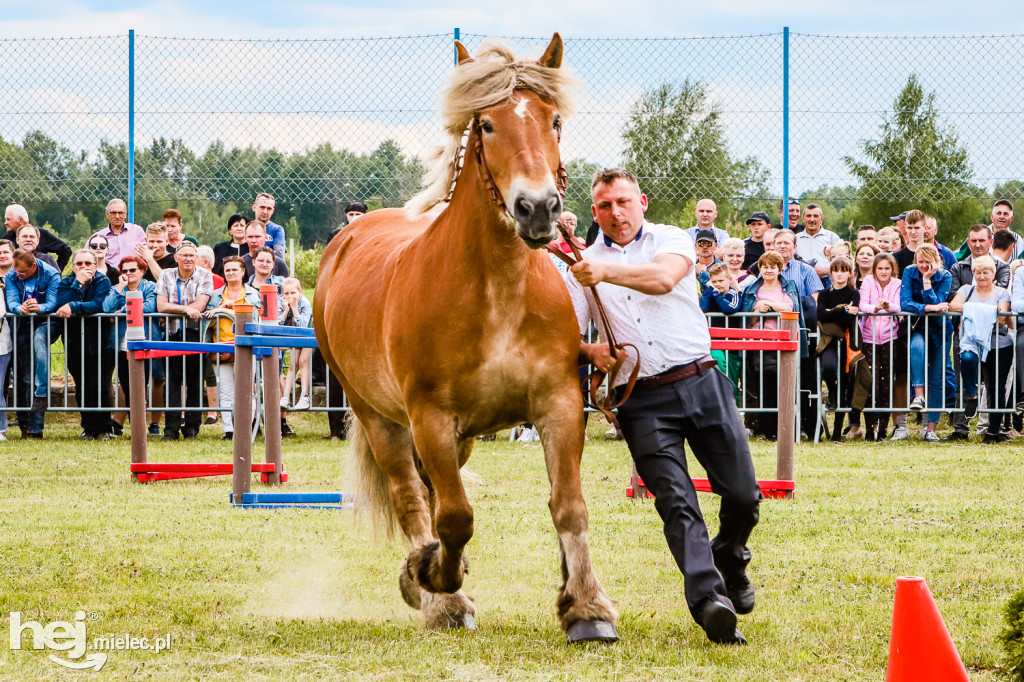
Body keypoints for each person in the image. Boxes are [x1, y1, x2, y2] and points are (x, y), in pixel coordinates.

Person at [566, 168, 760, 645]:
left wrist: (605, 271)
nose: (616, 213)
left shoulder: (670, 238)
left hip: (701, 379)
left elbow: (663, 278)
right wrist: (590, 353)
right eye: (606, 206)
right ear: (594, 212)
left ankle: (729, 557)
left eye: (624, 202)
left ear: (643, 202)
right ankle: (709, 601)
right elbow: (565, 337)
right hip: (641, 399)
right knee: (677, 503)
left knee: (743, 497)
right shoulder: (582, 265)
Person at [948, 256, 1013, 443]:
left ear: (993, 274)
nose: (982, 276)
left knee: (996, 387)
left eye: (986, 272)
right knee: (967, 358)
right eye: (978, 272)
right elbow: (954, 305)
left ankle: (993, 432)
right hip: (972, 343)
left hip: (999, 344)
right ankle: (973, 393)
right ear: (973, 274)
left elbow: (1002, 318)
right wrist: (984, 311)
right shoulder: (966, 290)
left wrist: (970, 312)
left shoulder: (1001, 293)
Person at [739, 251, 801, 440]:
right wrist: (757, 309)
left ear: (779, 269)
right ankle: (768, 429)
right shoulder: (752, 289)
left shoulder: (787, 286)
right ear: (760, 268)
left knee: (782, 386)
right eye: (765, 266)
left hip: (782, 341)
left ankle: (784, 428)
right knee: (763, 386)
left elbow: (790, 308)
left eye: (772, 267)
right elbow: (746, 319)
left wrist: (768, 304)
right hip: (759, 342)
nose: (768, 270)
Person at [156, 241, 213, 440]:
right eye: (184, 255)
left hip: (196, 335)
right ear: (176, 257)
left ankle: (192, 428)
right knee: (171, 383)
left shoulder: (205, 275)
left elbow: (200, 304)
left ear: (197, 258)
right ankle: (170, 430)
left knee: (195, 383)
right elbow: (161, 305)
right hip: (171, 334)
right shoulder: (165, 275)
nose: (188, 258)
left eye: (192, 255)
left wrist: (188, 309)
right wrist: (186, 310)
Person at [55, 250, 113, 439]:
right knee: (82, 385)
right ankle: (88, 427)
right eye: (79, 263)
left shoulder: (102, 281)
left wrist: (74, 307)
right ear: (73, 266)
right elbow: (62, 303)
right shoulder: (65, 283)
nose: (83, 267)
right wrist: (77, 283)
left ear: (95, 266)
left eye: (88, 263)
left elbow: (99, 305)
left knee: (100, 384)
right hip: (74, 341)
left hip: (99, 341)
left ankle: (104, 428)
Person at [202, 256, 260, 441]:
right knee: (226, 391)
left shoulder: (252, 294)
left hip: (246, 348)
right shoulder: (216, 295)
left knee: (246, 390)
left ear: (243, 271)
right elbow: (207, 321)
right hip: (222, 348)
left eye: (235, 269)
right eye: (227, 270)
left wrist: (227, 310)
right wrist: (221, 308)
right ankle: (230, 429)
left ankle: (247, 427)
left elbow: (253, 319)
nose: (231, 273)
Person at [5, 249, 61, 437]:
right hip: (22, 325)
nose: (18, 275)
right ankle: (30, 428)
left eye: (22, 273)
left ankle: (42, 395)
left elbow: (53, 301)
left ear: (33, 267)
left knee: (39, 339)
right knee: (26, 377)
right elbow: (11, 300)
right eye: (16, 271)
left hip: (46, 322)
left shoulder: (51, 273)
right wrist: (18, 308)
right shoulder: (13, 275)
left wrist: (40, 307)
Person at [901, 244, 952, 442]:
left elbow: (941, 305)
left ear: (935, 261)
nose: (923, 265)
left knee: (937, 378)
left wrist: (927, 282)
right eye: (920, 261)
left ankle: (930, 428)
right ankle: (918, 395)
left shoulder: (944, 276)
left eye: (927, 262)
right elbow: (905, 303)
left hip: (940, 330)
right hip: (917, 327)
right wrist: (929, 307)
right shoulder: (908, 271)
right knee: (916, 347)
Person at [102, 255, 157, 431]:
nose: (128, 273)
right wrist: (120, 287)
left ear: (142, 270)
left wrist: (123, 309)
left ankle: (140, 425)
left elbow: (149, 307)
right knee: (126, 384)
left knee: (141, 384)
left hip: (145, 343)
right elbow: (106, 308)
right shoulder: (117, 289)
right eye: (124, 270)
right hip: (121, 343)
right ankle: (136, 426)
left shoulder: (150, 287)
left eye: (133, 270)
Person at [859, 252, 905, 441]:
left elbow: (899, 305)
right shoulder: (868, 281)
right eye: (880, 268)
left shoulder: (897, 283)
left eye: (887, 268)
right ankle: (870, 429)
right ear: (875, 269)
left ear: (892, 269)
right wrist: (875, 309)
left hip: (889, 338)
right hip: (869, 338)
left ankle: (884, 430)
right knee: (871, 382)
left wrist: (887, 305)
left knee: (887, 383)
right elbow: (863, 304)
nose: (884, 272)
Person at [816, 257, 862, 440]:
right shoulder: (825, 293)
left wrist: (833, 312)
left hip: (846, 341)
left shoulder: (853, 293)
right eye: (836, 270)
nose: (840, 274)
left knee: (846, 382)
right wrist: (842, 310)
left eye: (844, 270)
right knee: (827, 366)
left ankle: (836, 432)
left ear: (850, 273)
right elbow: (820, 315)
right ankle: (832, 396)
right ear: (831, 273)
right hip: (828, 340)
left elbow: (848, 319)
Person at [3, 204, 72, 271]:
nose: (5, 222)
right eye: (24, 237)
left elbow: (65, 250)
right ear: (18, 240)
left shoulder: (42, 234)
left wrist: (55, 271)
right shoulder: (6, 239)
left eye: (8, 219)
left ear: (20, 220)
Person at [279, 277, 314, 412]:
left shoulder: (304, 303)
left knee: (303, 362)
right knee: (293, 365)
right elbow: (280, 324)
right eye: (286, 293)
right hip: (295, 338)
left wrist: (294, 308)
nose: (290, 296)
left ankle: (305, 397)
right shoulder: (284, 304)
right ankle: (286, 397)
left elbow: (303, 325)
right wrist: (285, 312)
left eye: (293, 293)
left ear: (300, 292)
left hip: (308, 336)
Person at [90, 198, 146, 269]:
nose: (117, 216)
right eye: (113, 213)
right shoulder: (98, 238)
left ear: (125, 214)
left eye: (120, 213)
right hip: (109, 277)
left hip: (133, 275)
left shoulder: (137, 232)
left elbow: (147, 254)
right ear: (107, 214)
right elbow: (87, 259)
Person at [795, 203, 841, 278]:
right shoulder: (796, 239)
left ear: (822, 218)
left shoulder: (832, 238)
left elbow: (842, 261)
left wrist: (825, 270)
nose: (812, 219)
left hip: (827, 280)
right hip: (802, 280)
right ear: (803, 218)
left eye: (816, 216)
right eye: (808, 216)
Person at [893, 209, 928, 276]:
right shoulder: (896, 258)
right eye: (910, 228)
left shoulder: (935, 255)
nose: (913, 232)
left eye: (917, 228)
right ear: (905, 228)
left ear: (925, 228)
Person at [252, 193, 287, 257]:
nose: (265, 211)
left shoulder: (277, 230)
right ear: (254, 207)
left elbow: (279, 254)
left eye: (269, 208)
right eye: (262, 207)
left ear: (273, 211)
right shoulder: (247, 229)